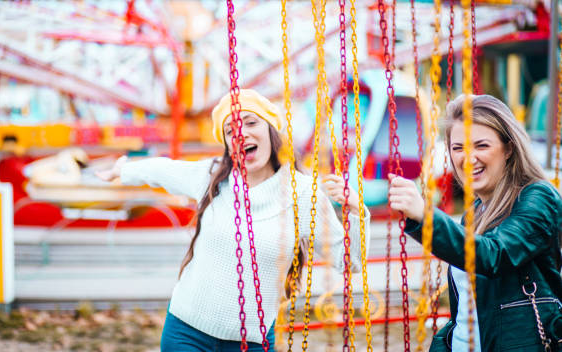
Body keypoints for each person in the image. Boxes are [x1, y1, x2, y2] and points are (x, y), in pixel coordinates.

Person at [98, 89, 371, 351]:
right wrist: (122, 169)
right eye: (230, 131)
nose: (241, 133)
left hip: (251, 342)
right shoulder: (213, 178)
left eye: (251, 122)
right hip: (186, 331)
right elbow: (163, 169)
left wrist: (357, 212)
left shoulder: (304, 194)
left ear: (270, 131)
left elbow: (350, 262)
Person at [389, 94, 562, 351]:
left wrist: (425, 217)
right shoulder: (474, 214)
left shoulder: (537, 198)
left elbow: (494, 255)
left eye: (481, 146)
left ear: (509, 148)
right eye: (458, 148)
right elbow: (468, 309)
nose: (468, 159)